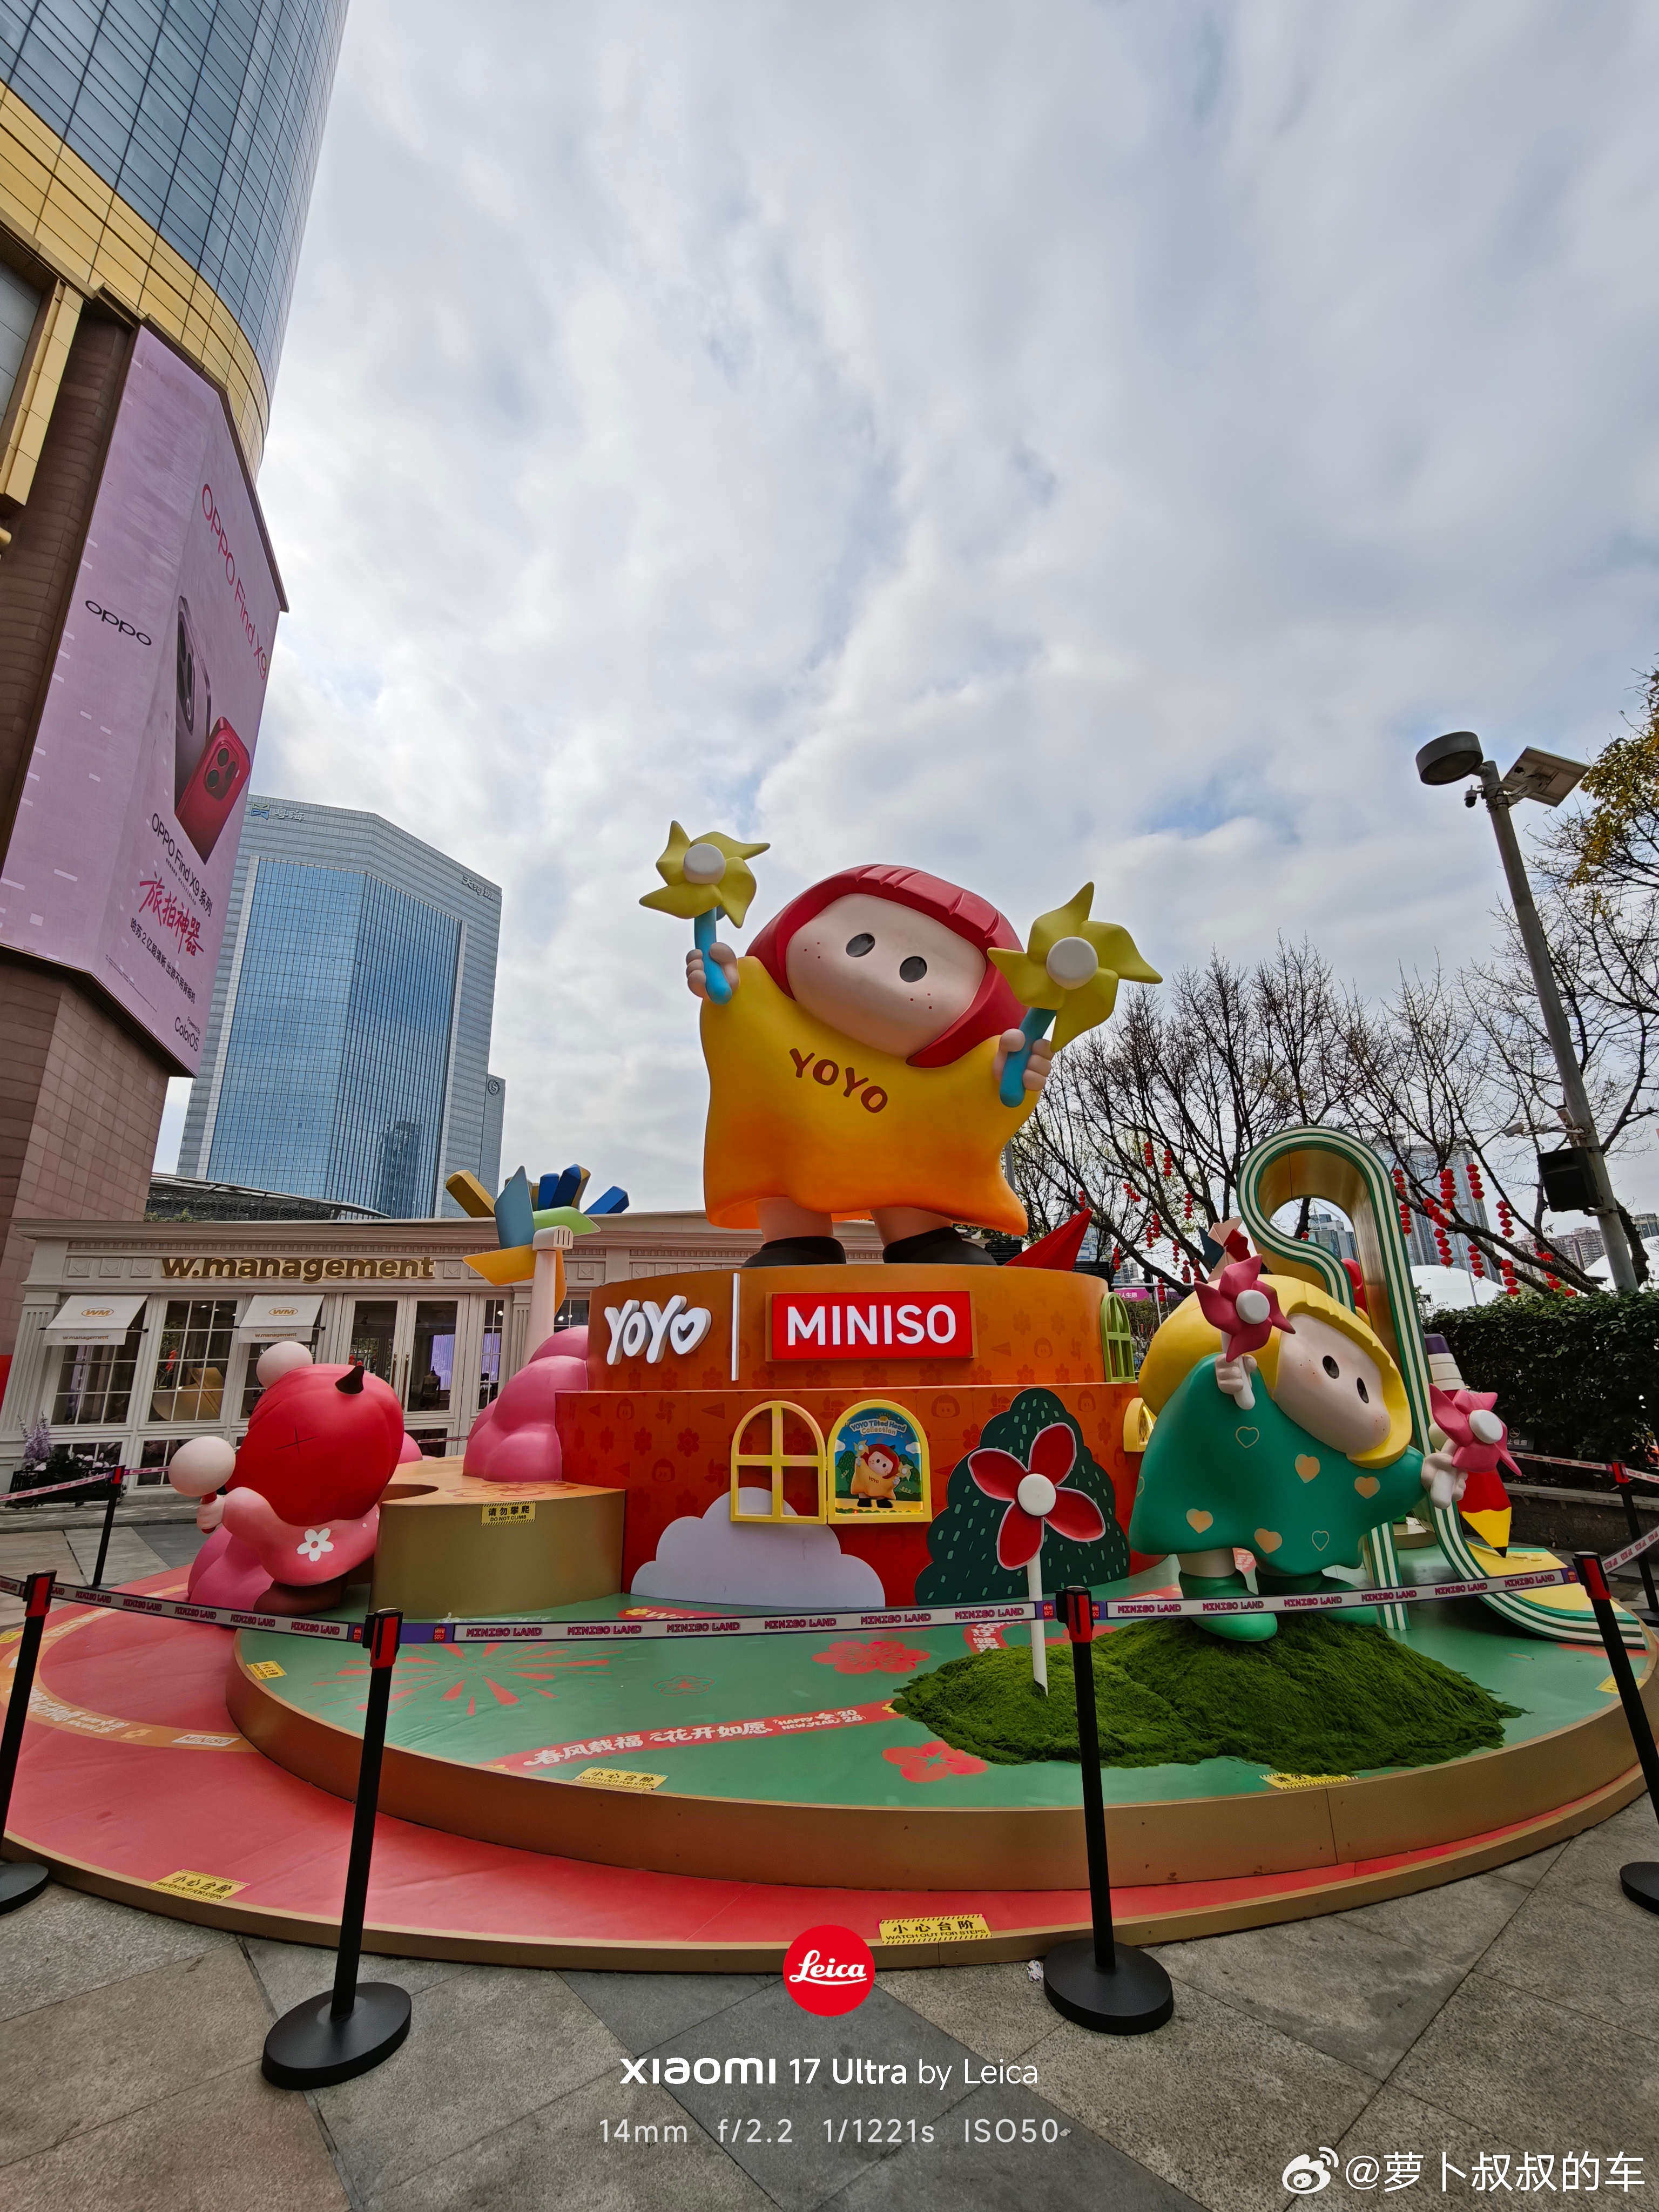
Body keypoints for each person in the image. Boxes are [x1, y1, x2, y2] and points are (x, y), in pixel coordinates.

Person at [688, 863, 1053, 1266]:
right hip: (785, 1144)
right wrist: (727, 991)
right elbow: (739, 1030)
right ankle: (796, 1242)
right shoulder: (763, 1009)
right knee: (779, 1173)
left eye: (916, 968)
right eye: (861, 942)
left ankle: (923, 1239)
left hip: (904, 1147)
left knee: (910, 1172)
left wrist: (1005, 1077)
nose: (872, 972)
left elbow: (981, 1103)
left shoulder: (946, 1079)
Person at [1129, 1277, 1465, 1640]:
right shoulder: (1231, 1382)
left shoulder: (1323, 1438)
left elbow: (1374, 1477)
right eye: (1331, 1366)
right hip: (1210, 1469)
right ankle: (1211, 1585)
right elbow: (1188, 1410)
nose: (1348, 1391)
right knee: (1203, 1515)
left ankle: (1295, 1579)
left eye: (1365, 1389)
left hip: (1281, 1479)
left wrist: (1424, 1473)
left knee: (1295, 1506)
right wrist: (1217, 1375)